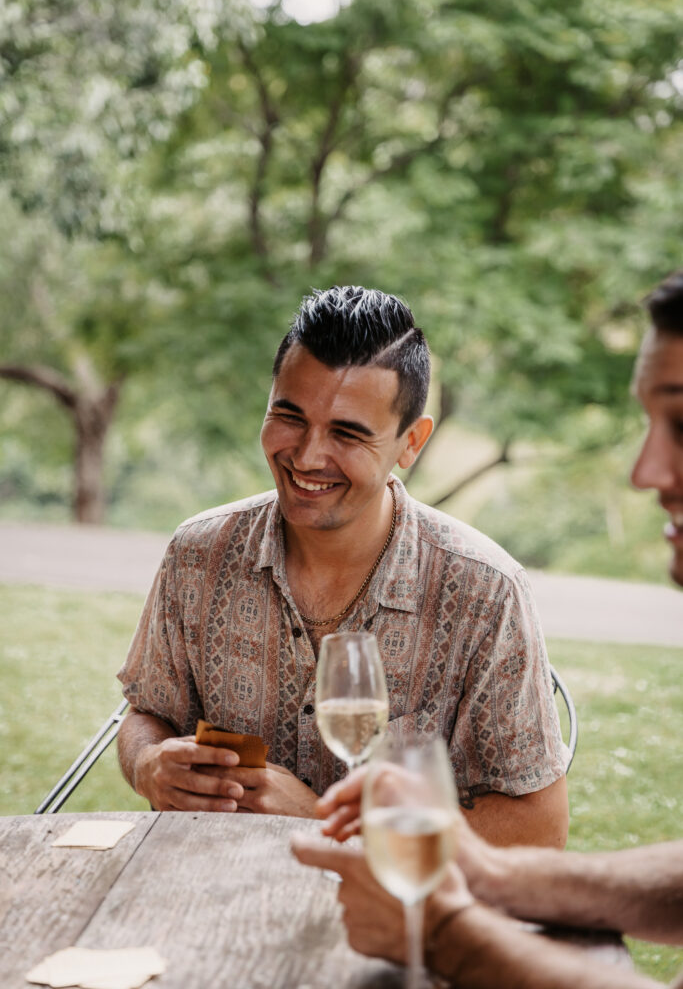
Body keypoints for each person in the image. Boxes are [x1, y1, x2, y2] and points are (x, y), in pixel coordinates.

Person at [292, 269, 683, 988]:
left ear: (408, 443)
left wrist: (439, 931)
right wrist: (486, 870)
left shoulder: (483, 581)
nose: (644, 469)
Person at [116, 285, 568, 845]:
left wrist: (319, 823)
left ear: (411, 442)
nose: (306, 457)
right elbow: (146, 714)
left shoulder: (485, 590)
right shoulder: (197, 553)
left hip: (398, 914)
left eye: (348, 434)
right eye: (289, 416)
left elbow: (538, 830)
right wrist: (148, 763)